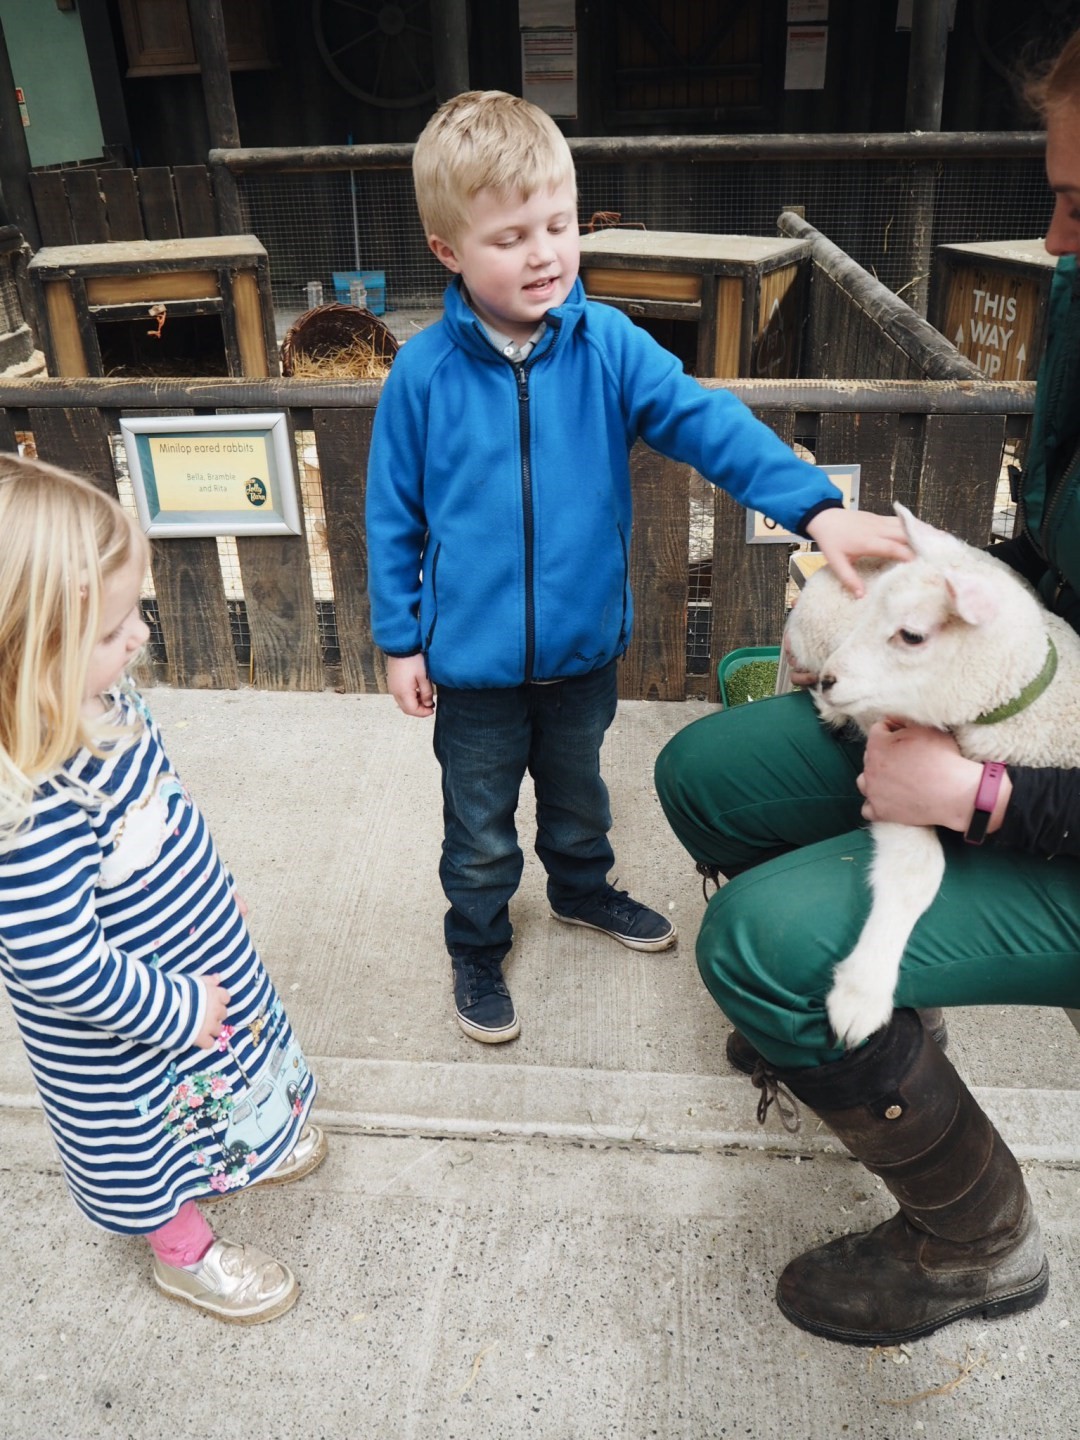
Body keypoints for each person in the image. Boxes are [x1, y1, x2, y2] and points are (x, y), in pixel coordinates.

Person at [654, 30, 1080, 1347]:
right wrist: (936, 585)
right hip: (1037, 714)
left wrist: (984, 796)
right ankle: (868, 1026)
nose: (1057, 239)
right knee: (702, 777)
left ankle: (976, 1238)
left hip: (1054, 798)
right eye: (1057, 192)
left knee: (760, 945)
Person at [366, 90, 910, 1045]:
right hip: (473, 667)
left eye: (559, 225)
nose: (543, 253)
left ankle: (581, 889)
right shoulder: (422, 375)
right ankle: (478, 940)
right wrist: (400, 640)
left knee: (579, 792)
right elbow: (393, 516)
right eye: (510, 237)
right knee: (480, 826)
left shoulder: (608, 345)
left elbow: (709, 425)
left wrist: (816, 506)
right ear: (448, 250)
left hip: (581, 650)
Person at [0, 457, 327, 1324]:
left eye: (134, 611)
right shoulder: (27, 803)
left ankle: (249, 1144)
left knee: (230, 1073)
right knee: (146, 1144)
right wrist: (175, 1008)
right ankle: (184, 1256)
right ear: (26, 653)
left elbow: (162, 808)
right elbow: (57, 962)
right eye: (113, 629)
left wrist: (211, 890)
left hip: (191, 953)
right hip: (129, 1025)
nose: (139, 635)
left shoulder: (102, 699)